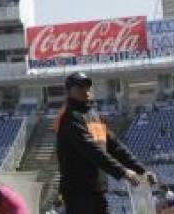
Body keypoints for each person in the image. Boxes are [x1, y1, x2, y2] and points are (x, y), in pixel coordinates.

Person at [56, 72, 156, 214]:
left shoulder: (94, 115)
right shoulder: (70, 117)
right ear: (69, 91)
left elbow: (115, 147)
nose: (86, 89)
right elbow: (92, 150)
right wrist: (123, 172)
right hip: (78, 192)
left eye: (88, 86)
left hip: (97, 191)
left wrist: (142, 170)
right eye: (80, 86)